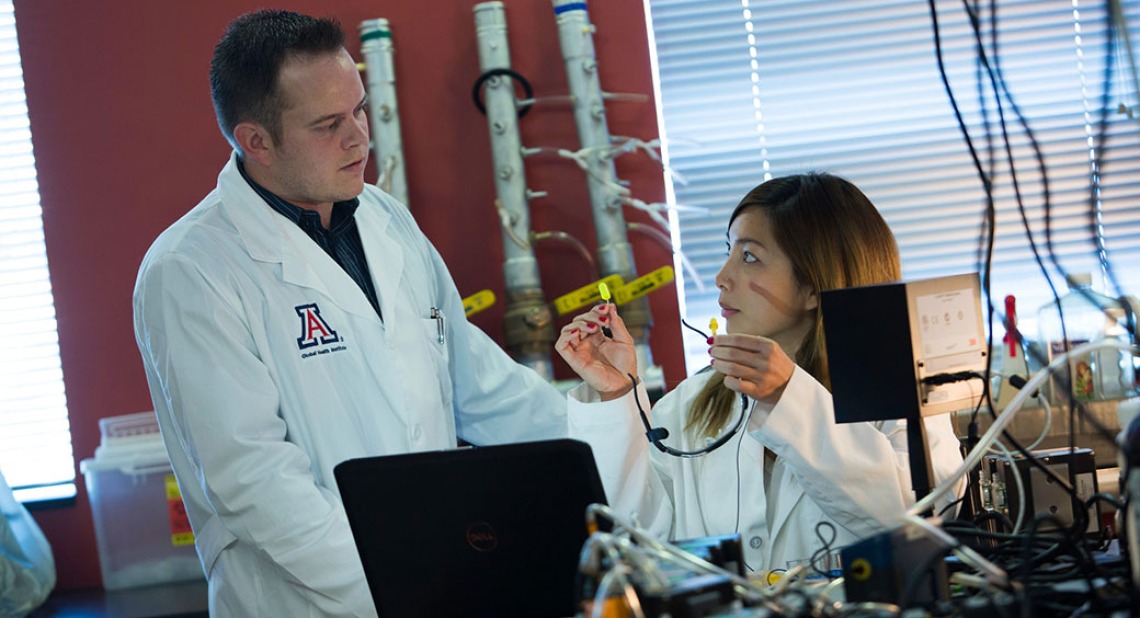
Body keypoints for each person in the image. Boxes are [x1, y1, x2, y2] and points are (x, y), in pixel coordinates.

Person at [132, 10, 567, 616]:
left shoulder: (387, 219)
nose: (360, 137)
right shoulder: (190, 270)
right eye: (328, 124)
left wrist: (611, 441)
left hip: (441, 581)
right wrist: (408, 583)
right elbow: (256, 485)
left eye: (360, 109)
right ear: (254, 141)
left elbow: (478, 385)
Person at [557, 173, 966, 573]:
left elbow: (918, 522)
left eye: (749, 256)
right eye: (729, 251)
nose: (722, 278)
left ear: (813, 285)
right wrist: (616, 397)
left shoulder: (899, 391)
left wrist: (789, 397)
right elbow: (638, 546)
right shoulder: (690, 403)